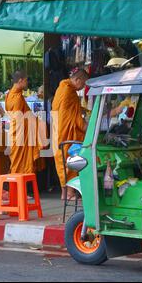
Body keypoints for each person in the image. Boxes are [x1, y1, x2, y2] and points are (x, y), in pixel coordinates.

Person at [52, 67, 89, 200]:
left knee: (62, 160)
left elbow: (67, 109)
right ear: (77, 79)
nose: (83, 86)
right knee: (71, 159)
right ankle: (70, 193)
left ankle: (64, 193)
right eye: (83, 83)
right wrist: (86, 123)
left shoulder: (62, 87)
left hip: (59, 130)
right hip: (68, 131)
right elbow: (76, 119)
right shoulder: (69, 92)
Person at [5, 70, 41, 174]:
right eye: (26, 80)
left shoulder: (10, 95)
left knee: (17, 162)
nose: (27, 83)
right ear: (20, 81)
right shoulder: (16, 97)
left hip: (16, 132)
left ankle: (19, 188)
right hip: (19, 133)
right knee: (17, 164)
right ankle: (17, 188)